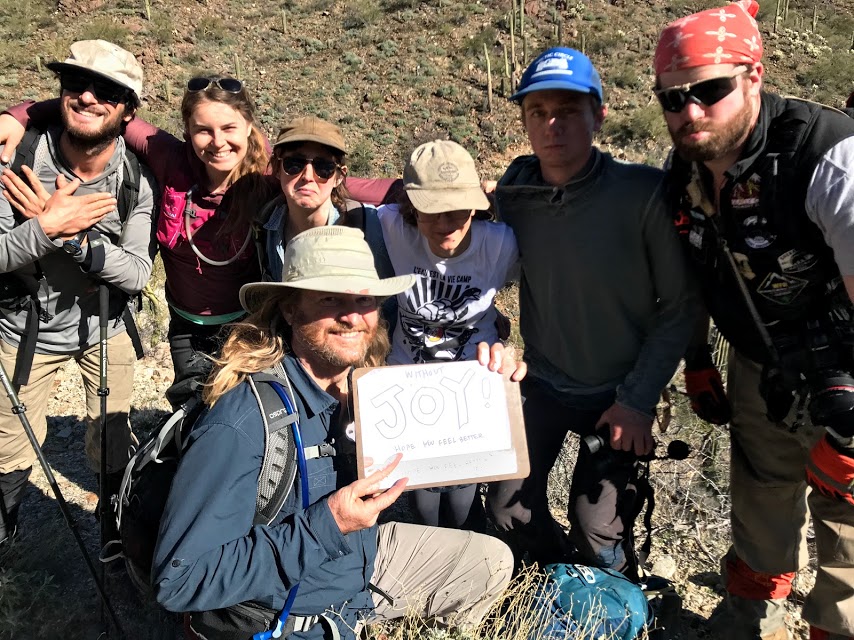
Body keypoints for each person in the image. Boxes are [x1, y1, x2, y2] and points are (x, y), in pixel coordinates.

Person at [151, 225, 518, 640]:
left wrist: (489, 381)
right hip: (289, 616)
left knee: (489, 563)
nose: (352, 316)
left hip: (357, 562)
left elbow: (468, 446)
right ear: (290, 309)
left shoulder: (371, 388)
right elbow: (178, 581)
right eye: (330, 299)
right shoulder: (243, 421)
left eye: (364, 299)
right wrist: (328, 524)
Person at [654, 2, 854, 638]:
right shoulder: (684, 170)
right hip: (758, 361)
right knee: (762, 489)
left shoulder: (827, 157)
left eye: (709, 91)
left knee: (847, 518)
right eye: (671, 98)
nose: (689, 112)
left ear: (755, 75)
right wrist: (695, 363)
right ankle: (752, 608)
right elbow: (689, 277)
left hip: (842, 366)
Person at [0, 89, 396, 409]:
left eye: (229, 128)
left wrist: (422, 195)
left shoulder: (272, 176)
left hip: (248, 324)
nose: (218, 141)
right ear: (188, 132)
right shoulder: (169, 158)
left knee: (243, 411)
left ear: (249, 129)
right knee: (191, 407)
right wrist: (17, 115)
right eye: (203, 130)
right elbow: (103, 108)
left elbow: (354, 184)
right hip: (185, 326)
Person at [488, 47, 700, 579]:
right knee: (507, 509)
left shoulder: (642, 194)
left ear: (598, 115)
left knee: (596, 525)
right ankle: (557, 592)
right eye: (538, 112)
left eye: (568, 111)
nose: (552, 125)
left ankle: (620, 598)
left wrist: (637, 401)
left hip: (618, 391)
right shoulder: (516, 193)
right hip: (544, 381)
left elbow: (680, 308)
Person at [0, 40, 156, 543]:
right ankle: (6, 527)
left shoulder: (134, 179)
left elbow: (135, 275)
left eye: (107, 90)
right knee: (9, 445)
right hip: (22, 331)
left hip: (104, 329)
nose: (88, 97)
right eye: (75, 83)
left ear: (128, 110)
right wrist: (44, 229)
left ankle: (113, 519)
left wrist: (74, 241)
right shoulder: (16, 159)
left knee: (112, 435)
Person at [376, 139, 519, 530]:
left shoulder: (501, 244)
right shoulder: (390, 227)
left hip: (471, 384)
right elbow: (345, 192)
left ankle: (461, 552)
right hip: (407, 379)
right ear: (410, 207)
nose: (445, 224)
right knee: (422, 498)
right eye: (431, 211)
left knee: (461, 494)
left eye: (458, 209)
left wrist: (518, 349)